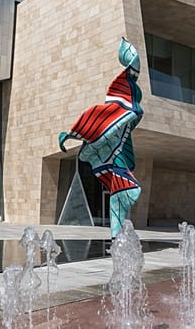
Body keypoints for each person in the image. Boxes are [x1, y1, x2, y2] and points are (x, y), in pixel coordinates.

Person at [59, 38, 143, 238]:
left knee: (121, 183)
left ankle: (116, 231)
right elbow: (126, 112)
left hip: (120, 150)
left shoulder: (128, 97)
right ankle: (116, 231)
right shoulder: (121, 102)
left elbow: (132, 110)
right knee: (121, 184)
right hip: (116, 152)